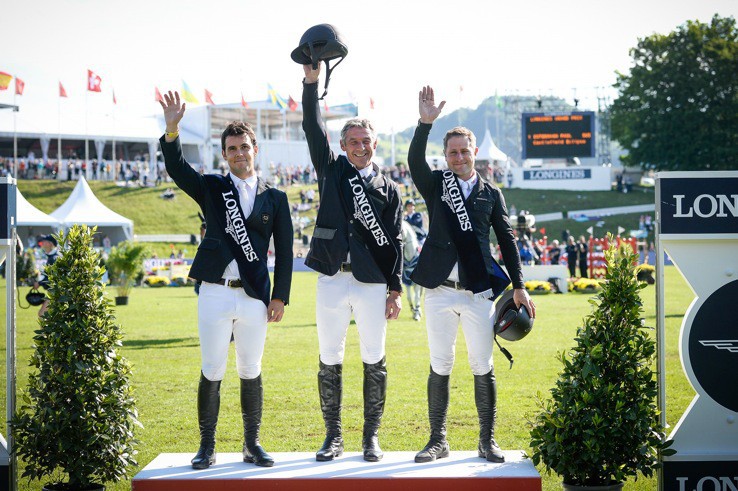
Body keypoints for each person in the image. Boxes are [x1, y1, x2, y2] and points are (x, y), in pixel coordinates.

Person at [159, 91, 293, 470]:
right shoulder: (212, 188)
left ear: (255, 150)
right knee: (212, 368)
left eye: (244, 147)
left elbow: (284, 252)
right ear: (224, 154)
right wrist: (172, 131)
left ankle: (252, 443)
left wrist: (279, 297)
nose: (239, 154)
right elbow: (178, 169)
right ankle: (207, 446)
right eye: (232, 149)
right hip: (215, 294)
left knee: (251, 369)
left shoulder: (277, 198)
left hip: (254, 297)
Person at [407, 86, 535, 464]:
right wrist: (424, 124)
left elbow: (508, 242)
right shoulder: (435, 185)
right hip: (440, 292)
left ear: (475, 153)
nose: (459, 157)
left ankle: (487, 441)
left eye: (464, 151)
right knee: (440, 363)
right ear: (445, 156)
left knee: (483, 364)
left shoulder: (491, 194)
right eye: (452, 152)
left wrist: (520, 287)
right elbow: (415, 161)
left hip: (479, 293)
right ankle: (437, 440)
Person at [302, 63, 403, 463]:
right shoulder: (331, 170)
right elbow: (312, 127)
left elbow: (394, 242)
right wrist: (311, 84)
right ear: (343, 145)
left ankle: (370, 438)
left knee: (373, 357)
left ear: (375, 144)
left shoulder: (389, 187)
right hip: (330, 277)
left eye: (367, 140)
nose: (361, 146)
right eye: (354, 141)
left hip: (372, 283)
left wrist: (395, 289)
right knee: (329, 357)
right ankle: (333, 437)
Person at [34, 235, 59, 317]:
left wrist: (40, 283)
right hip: (53, 292)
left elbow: (51, 277)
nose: (42, 243)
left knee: (42, 314)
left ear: (50, 244)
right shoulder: (52, 257)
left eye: (45, 241)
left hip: (55, 292)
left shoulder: (54, 258)